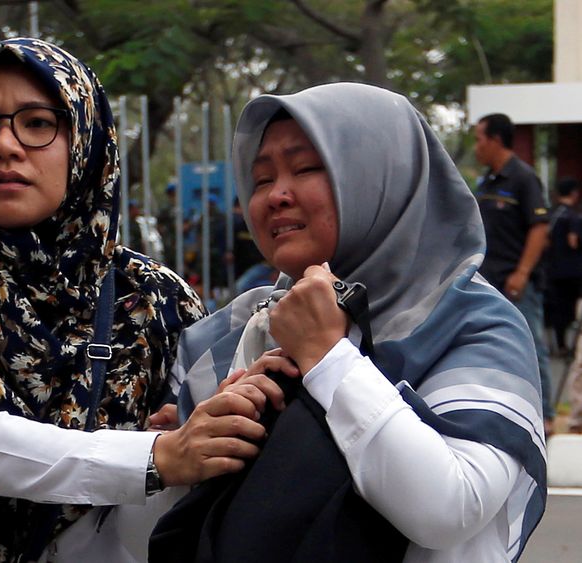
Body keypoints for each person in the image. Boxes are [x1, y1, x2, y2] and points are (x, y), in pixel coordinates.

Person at [0, 38, 270, 562]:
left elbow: (181, 499)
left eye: (36, 122)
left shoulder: (153, 299)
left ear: (85, 141)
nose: (5, 145)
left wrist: (185, 440)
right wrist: (157, 456)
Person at [154, 84, 546, 562]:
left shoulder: (471, 322)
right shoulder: (229, 332)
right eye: (259, 179)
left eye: (306, 168)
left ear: (382, 177)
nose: (276, 196)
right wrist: (179, 452)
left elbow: (449, 507)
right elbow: (157, 533)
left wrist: (326, 356)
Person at [473, 112, 554, 435]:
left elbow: (539, 228)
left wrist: (521, 273)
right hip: (488, 283)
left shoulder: (523, 177)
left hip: (517, 285)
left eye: (479, 139)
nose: (476, 147)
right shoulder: (486, 181)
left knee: (531, 346)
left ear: (495, 140)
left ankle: (545, 417)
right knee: (491, 347)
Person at [544, 177, 582, 356]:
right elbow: (573, 241)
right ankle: (570, 346)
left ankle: (558, 345)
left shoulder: (551, 215)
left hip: (552, 269)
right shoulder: (573, 216)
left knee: (557, 309)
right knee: (569, 309)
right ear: (574, 193)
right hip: (572, 271)